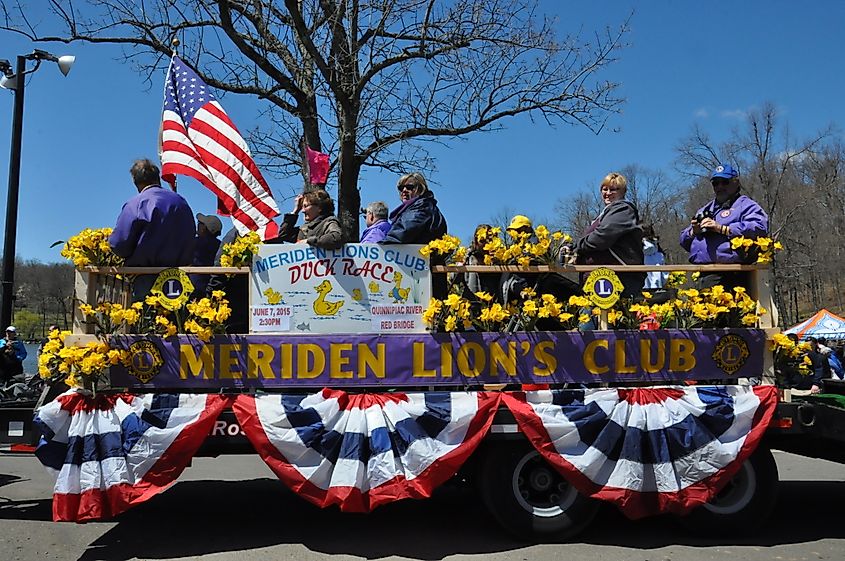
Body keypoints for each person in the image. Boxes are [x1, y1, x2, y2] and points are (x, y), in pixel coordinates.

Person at [109, 159, 196, 300]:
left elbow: (119, 244)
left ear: (135, 181)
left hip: (147, 278)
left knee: (148, 319)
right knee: (177, 321)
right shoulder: (181, 202)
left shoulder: (136, 204)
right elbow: (191, 235)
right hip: (180, 278)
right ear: (157, 177)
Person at [679, 164, 768, 289]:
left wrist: (722, 228)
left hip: (732, 275)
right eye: (716, 183)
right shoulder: (705, 209)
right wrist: (693, 232)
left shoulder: (746, 205)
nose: (720, 187)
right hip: (702, 273)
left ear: (736, 183)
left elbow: (759, 227)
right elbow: (683, 239)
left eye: (724, 182)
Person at [569, 172, 644, 298]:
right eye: (605, 189)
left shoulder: (623, 210)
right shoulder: (604, 214)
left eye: (613, 189)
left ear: (623, 192)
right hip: (597, 277)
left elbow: (601, 237)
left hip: (619, 277)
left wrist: (577, 247)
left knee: (613, 316)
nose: (608, 193)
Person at [382, 172, 448, 297]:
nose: (404, 191)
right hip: (417, 273)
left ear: (421, 189)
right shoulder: (412, 208)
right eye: (401, 188)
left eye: (410, 187)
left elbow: (402, 234)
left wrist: (376, 248)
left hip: (424, 275)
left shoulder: (422, 207)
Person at [275, 189, 344, 249]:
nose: (303, 211)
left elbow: (336, 238)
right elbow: (283, 235)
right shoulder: (305, 228)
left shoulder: (328, 222)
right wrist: (295, 211)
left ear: (319, 207)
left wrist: (308, 241)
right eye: (302, 207)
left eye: (306, 206)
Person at [190, 213, 223, 298]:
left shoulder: (192, 243)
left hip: (192, 289)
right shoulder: (221, 246)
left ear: (204, 228)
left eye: (199, 224)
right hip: (215, 289)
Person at [642, 224, 668, 290]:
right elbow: (664, 276)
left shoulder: (636, 254)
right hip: (657, 288)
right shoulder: (659, 254)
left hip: (641, 290)